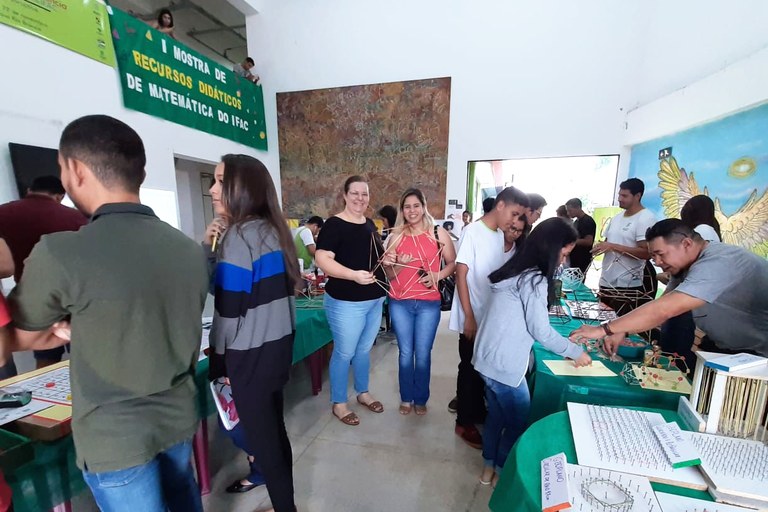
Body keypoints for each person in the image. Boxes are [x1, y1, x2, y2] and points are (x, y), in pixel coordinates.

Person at [7, 115, 208, 511]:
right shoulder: (187, 248)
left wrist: (69, 327)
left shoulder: (61, 252)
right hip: (178, 417)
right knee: (183, 498)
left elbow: (20, 336)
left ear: (75, 170)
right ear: (141, 173)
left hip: (114, 436)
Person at [208, 155, 298, 511]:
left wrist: (219, 361)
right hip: (276, 350)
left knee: (264, 442)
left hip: (248, 355)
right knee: (274, 434)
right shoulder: (274, 230)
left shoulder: (238, 237)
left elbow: (228, 311)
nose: (213, 189)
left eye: (220, 181)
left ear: (242, 188)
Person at [474, 218, 591, 486]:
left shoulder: (514, 271)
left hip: (486, 359)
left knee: (496, 417)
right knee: (517, 422)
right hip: (505, 365)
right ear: (551, 248)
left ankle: (488, 468)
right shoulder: (534, 279)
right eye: (563, 253)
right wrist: (576, 352)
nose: (563, 261)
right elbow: (541, 331)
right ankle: (502, 472)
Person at [571, 219, 768, 358]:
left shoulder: (719, 261)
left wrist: (604, 329)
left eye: (660, 254)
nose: (657, 262)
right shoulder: (684, 267)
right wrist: (622, 331)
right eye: (653, 256)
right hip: (726, 348)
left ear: (687, 243)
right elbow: (662, 305)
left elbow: (665, 310)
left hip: (758, 354)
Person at [449, 186, 529, 448]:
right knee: (468, 368)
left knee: (481, 368)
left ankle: (476, 411)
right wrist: (469, 316)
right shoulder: (473, 231)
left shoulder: (498, 235)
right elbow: (461, 274)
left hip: (490, 316)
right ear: (501, 205)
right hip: (472, 314)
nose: (514, 221)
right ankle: (463, 422)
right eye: (514, 213)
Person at [316, 176, 387, 426]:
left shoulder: (369, 224)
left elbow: (375, 258)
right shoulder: (334, 224)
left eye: (364, 194)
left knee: (363, 350)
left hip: (374, 299)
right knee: (344, 352)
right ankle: (339, 403)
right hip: (346, 301)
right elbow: (322, 259)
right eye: (355, 193)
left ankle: (362, 392)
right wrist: (353, 275)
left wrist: (390, 259)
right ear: (345, 195)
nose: (360, 198)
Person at [0, 175, 88, 370]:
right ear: (59, 196)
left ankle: (44, 387)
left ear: (29, 190)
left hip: (32, 299)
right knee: (81, 355)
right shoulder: (74, 217)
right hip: (72, 297)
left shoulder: (3, 213)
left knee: (45, 359)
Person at [383, 189, 456, 416]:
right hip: (400, 302)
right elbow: (390, 276)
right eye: (407, 207)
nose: (412, 211)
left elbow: (453, 263)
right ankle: (406, 397)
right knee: (405, 352)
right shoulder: (395, 236)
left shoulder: (437, 233)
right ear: (402, 210)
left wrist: (437, 275)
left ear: (424, 207)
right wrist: (398, 264)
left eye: (416, 206)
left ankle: (421, 398)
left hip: (428, 303)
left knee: (423, 353)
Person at [592, 178, 657, 315]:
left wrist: (613, 246)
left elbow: (646, 253)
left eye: (624, 196)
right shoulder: (617, 217)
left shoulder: (646, 218)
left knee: (620, 322)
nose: (620, 199)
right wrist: (599, 247)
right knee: (602, 319)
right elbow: (607, 243)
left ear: (637, 196)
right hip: (606, 281)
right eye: (619, 195)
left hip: (627, 285)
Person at [565, 198, 597, 275]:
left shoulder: (588, 221)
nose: (568, 213)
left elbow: (588, 241)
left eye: (570, 210)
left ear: (578, 208)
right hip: (573, 258)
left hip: (582, 258)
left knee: (577, 280)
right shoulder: (576, 222)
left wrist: (571, 241)